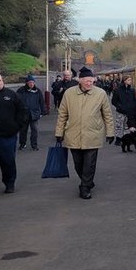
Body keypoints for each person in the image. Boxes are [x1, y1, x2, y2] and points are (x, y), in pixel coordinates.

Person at [55, 67, 114, 199]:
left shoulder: (100, 94)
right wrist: (59, 132)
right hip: (73, 134)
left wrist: (110, 132)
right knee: (78, 164)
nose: (89, 83)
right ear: (80, 80)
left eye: (91, 81)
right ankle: (87, 181)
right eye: (86, 81)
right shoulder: (69, 93)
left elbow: (107, 114)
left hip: (93, 134)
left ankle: (85, 187)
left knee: (89, 164)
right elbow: (62, 114)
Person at [16, 74, 46, 150]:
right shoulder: (21, 90)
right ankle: (22, 144)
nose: (31, 84)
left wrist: (43, 112)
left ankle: (34, 145)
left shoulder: (37, 91)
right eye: (30, 82)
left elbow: (41, 102)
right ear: (26, 83)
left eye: (32, 82)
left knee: (35, 130)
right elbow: (17, 101)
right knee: (23, 130)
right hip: (24, 114)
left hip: (34, 114)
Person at [111, 75, 136, 144]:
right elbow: (114, 101)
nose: (130, 81)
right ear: (124, 81)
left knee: (127, 125)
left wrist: (133, 108)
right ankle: (118, 139)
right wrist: (119, 107)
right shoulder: (118, 90)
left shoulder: (132, 90)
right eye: (129, 80)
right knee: (119, 125)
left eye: (130, 80)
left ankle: (126, 139)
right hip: (120, 111)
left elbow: (134, 100)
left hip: (129, 111)